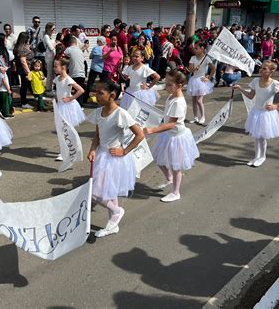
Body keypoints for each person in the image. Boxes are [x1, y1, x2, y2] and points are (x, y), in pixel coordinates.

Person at [87, 80, 144, 237]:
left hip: (114, 157)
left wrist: (124, 151)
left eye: (100, 93)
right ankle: (113, 224)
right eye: (96, 92)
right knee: (109, 191)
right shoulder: (99, 112)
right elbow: (97, 135)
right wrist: (92, 149)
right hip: (101, 155)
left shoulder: (121, 114)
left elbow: (140, 135)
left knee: (95, 193)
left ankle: (117, 211)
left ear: (112, 95)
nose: (96, 95)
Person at [144, 69, 199, 202]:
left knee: (176, 166)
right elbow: (166, 118)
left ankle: (176, 192)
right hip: (167, 135)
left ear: (179, 85)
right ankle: (169, 179)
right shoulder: (171, 96)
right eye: (166, 83)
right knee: (157, 158)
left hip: (177, 137)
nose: (166, 86)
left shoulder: (178, 102)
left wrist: (152, 130)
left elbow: (171, 124)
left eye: (169, 84)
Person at [232, 62, 279, 167]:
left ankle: (262, 156)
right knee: (256, 137)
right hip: (256, 111)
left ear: (271, 71)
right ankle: (256, 156)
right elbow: (251, 96)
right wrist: (240, 88)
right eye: (261, 68)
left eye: (264, 69)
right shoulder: (256, 81)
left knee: (262, 137)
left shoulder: (274, 83)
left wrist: (277, 105)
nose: (261, 70)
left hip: (266, 114)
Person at [187, 41, 215, 124]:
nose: (194, 49)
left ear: (202, 49)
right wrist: (194, 69)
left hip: (201, 81)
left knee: (199, 100)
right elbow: (190, 69)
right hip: (194, 80)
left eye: (196, 48)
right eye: (194, 48)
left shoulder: (206, 58)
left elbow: (213, 68)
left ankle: (203, 117)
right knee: (194, 101)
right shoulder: (193, 58)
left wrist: (208, 78)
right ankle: (195, 117)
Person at [0, 33, 14, 119]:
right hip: (1, 74)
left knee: (5, 94)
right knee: (4, 94)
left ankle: (7, 109)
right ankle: (4, 111)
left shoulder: (4, 50)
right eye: (4, 39)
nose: (6, 41)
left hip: (5, 72)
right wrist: (0, 67)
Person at [13, 32, 34, 109]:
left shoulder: (20, 46)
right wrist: (28, 72)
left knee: (28, 85)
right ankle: (24, 102)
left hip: (24, 69)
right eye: (27, 38)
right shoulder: (22, 48)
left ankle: (36, 97)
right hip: (25, 70)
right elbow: (23, 61)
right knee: (25, 86)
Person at [64, 37, 86, 106]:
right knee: (79, 91)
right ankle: (80, 106)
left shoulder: (68, 49)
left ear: (69, 43)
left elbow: (63, 58)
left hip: (74, 74)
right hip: (82, 74)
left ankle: (69, 104)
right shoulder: (80, 50)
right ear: (76, 43)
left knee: (67, 89)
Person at [83, 36, 105, 103]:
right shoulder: (106, 48)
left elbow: (90, 57)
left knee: (90, 83)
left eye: (97, 41)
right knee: (103, 84)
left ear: (100, 42)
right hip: (103, 68)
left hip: (94, 67)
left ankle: (85, 98)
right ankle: (103, 98)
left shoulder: (95, 48)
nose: (96, 42)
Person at [43, 22, 57, 94]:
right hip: (49, 57)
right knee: (50, 73)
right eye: (53, 28)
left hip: (53, 56)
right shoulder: (46, 36)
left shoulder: (51, 36)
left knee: (54, 73)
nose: (54, 30)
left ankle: (52, 88)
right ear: (48, 28)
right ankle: (48, 89)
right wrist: (56, 43)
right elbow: (51, 47)